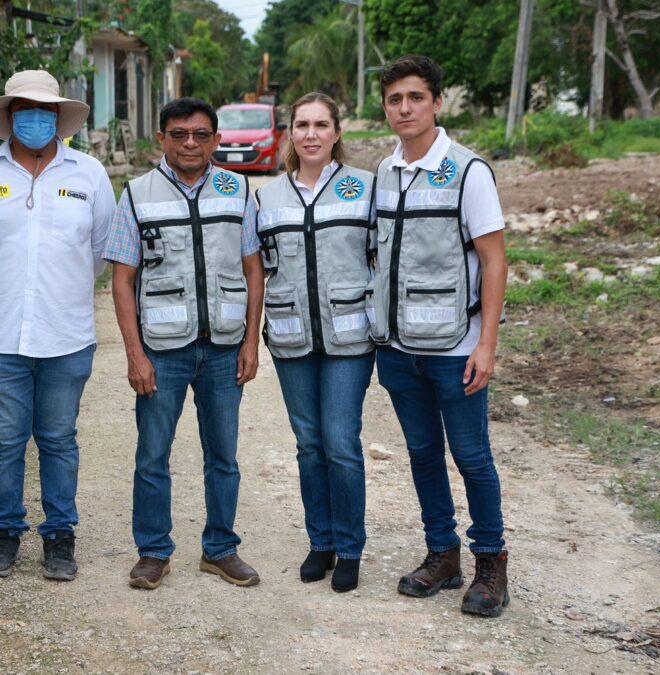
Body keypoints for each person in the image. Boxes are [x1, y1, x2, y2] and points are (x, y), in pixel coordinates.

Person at [0, 70, 114, 582]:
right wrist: (12, 281)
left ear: (59, 117)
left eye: (45, 111)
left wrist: (53, 285)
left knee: (59, 438)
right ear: (9, 117)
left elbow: (99, 253)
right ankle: (4, 531)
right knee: (3, 438)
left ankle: (60, 534)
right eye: (25, 110)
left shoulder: (89, 175)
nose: (36, 119)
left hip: (67, 334)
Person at [369, 55, 510, 617]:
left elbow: (494, 261)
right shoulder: (385, 171)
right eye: (394, 100)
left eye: (415, 98)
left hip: (457, 350)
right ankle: (442, 554)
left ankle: (491, 563)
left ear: (436, 103)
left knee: (472, 457)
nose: (404, 108)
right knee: (423, 454)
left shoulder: (469, 171)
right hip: (400, 350)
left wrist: (487, 343)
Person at [105, 97, 265, 590]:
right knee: (153, 455)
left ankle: (220, 549)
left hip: (222, 348)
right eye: (179, 134)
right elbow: (122, 279)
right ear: (163, 139)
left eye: (200, 134)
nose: (190, 143)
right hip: (162, 350)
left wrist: (251, 342)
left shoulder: (237, 191)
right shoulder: (137, 193)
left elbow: (253, 268)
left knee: (224, 455)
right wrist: (135, 355)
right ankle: (153, 551)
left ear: (215, 140)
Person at [256, 92, 375, 593]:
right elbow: (259, 267)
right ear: (290, 133)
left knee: (341, 443)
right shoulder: (267, 197)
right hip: (291, 337)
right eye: (301, 124)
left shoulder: (365, 187)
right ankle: (320, 541)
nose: (310, 134)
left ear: (336, 132)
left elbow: (382, 257)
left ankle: (349, 547)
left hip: (350, 339)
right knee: (309, 445)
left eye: (320, 124)